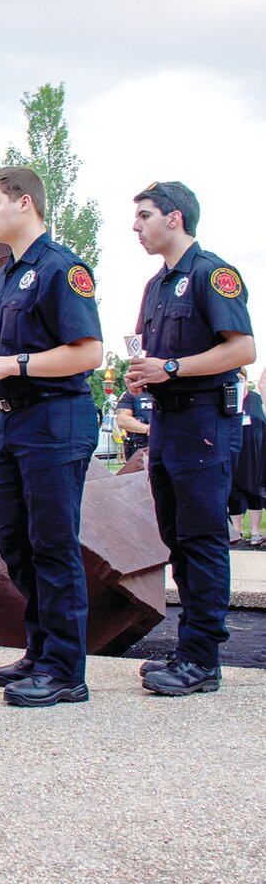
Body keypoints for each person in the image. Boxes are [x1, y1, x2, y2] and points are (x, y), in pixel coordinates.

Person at [0, 166, 103, 709]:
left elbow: (88, 354)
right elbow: (10, 361)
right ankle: (42, 650)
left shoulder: (62, 269)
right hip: (13, 423)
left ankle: (65, 670)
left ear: (25, 203)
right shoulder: (6, 277)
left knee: (52, 544)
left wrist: (11, 364)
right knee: (15, 541)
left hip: (55, 421)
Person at [126, 180, 254, 696]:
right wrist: (143, 374)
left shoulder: (212, 274)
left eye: (144, 216)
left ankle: (201, 659)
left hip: (205, 423)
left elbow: (242, 348)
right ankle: (188, 652)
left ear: (174, 218)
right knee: (177, 538)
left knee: (201, 540)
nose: (136, 226)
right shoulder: (156, 286)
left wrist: (171, 367)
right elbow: (153, 361)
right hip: (168, 423)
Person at [228, 369, 264, 545]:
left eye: (241, 378)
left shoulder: (256, 399)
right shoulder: (229, 399)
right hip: (234, 453)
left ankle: (256, 531)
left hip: (254, 454)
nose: (238, 381)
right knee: (233, 492)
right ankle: (237, 531)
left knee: (254, 492)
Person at [114, 386, 153, 462]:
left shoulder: (173, 390)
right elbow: (122, 420)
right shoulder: (131, 393)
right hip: (141, 448)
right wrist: (149, 428)